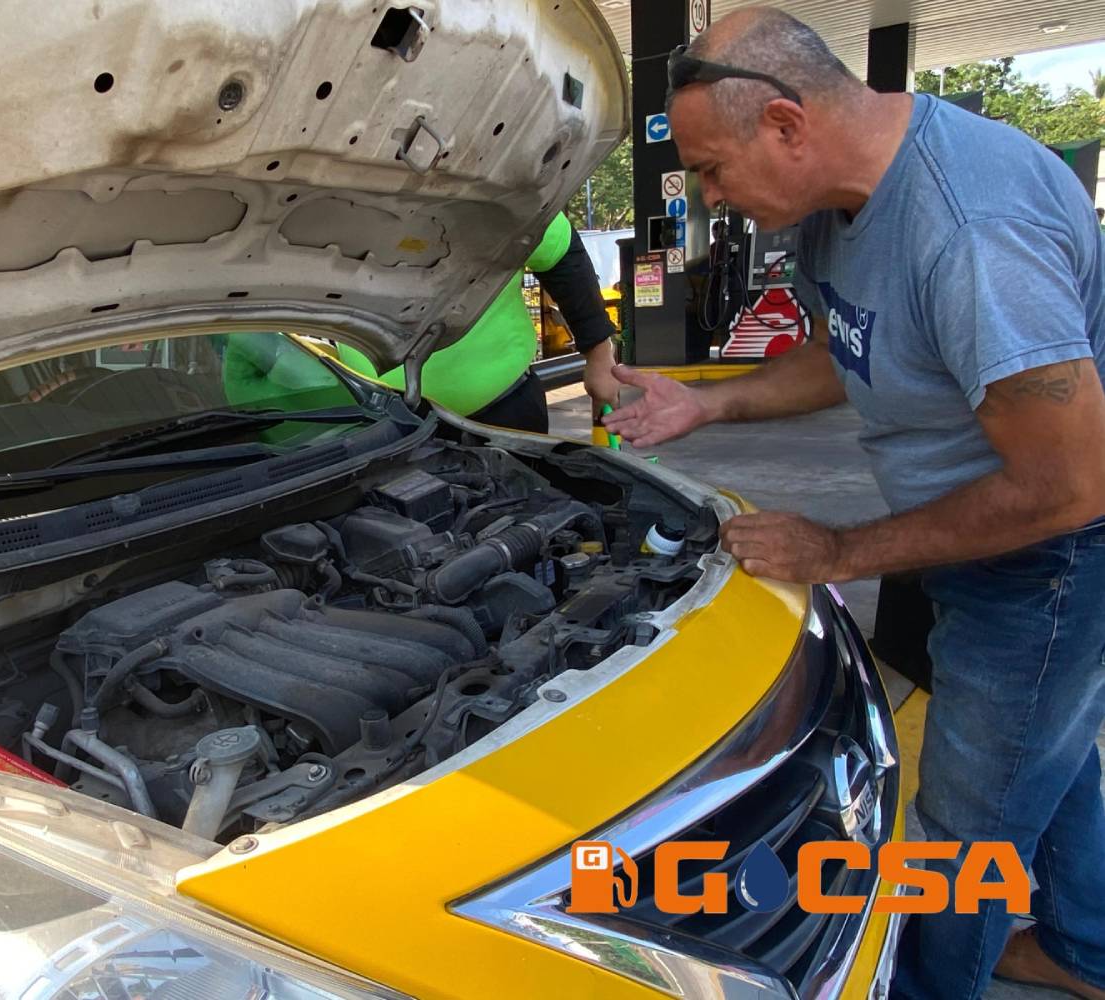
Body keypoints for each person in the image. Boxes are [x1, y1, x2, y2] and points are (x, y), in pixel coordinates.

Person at [602, 9, 1105, 1000]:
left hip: (1048, 558)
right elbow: (852, 348)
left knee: (966, 820)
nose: (710, 199)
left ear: (785, 124)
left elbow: (1068, 483)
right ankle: (1085, 949)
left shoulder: (970, 231)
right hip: (974, 539)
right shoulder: (840, 205)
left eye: (710, 170)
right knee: (1042, 756)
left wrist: (835, 550)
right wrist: (709, 404)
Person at [337, 212, 620, 432]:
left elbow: (561, 255)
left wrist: (599, 357)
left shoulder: (504, 188)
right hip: (372, 416)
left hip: (503, 409)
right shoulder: (332, 193)